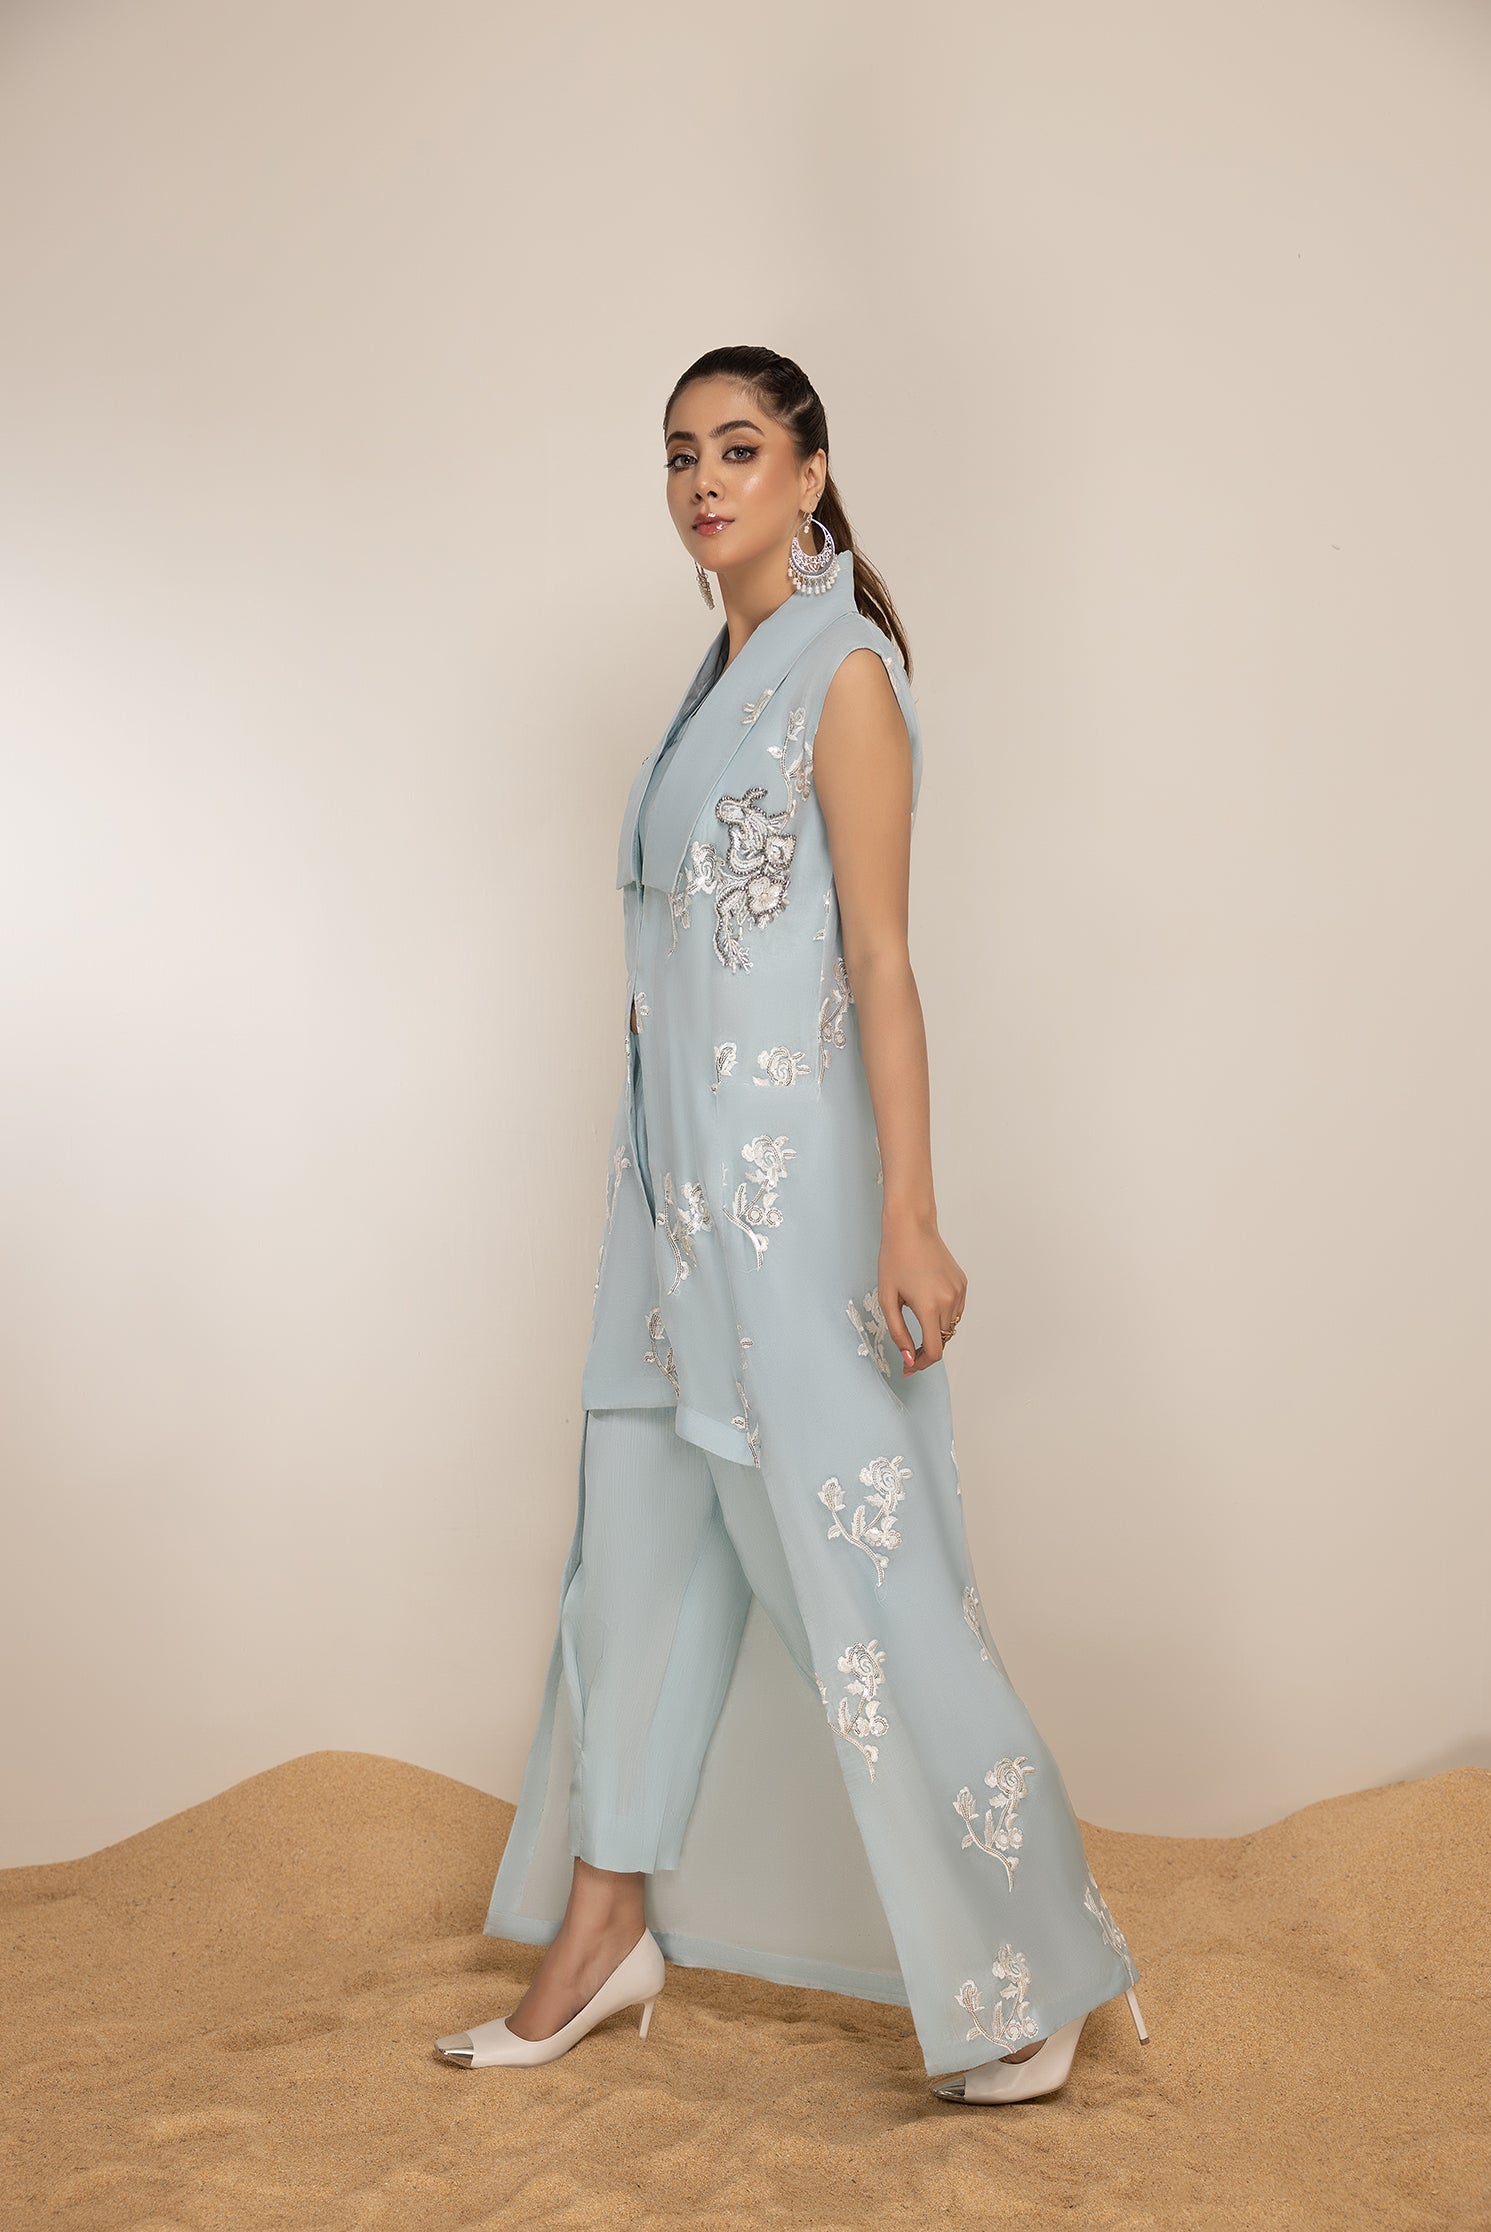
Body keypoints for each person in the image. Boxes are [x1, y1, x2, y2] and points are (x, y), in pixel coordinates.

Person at [434, 347, 1149, 2103]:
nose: (704, 481)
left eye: (739, 449)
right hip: (666, 1211)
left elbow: (885, 964)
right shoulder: (713, 687)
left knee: (870, 1581)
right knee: (636, 1565)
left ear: (811, 472)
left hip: (798, 1222)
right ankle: (602, 1936)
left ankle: (1028, 1968)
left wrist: (911, 1216)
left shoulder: (844, 677)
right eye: (680, 454)